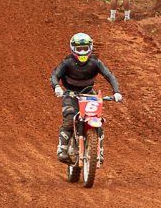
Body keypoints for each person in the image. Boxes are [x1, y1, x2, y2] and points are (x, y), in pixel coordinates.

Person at [50, 33, 122, 162]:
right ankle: (62, 148)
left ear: (90, 48)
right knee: (70, 117)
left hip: (89, 93)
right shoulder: (67, 62)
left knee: (97, 118)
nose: (82, 52)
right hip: (70, 93)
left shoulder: (95, 62)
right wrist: (57, 87)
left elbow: (109, 75)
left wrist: (116, 92)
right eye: (79, 49)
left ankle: (98, 151)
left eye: (85, 48)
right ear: (73, 49)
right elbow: (55, 74)